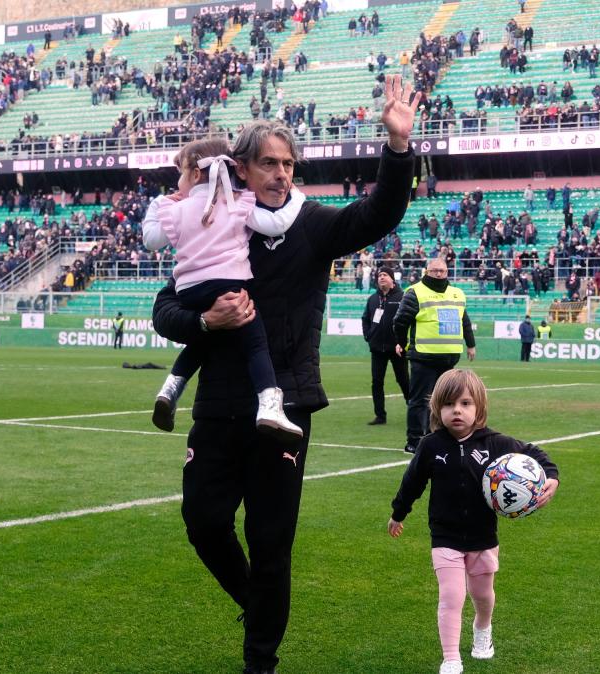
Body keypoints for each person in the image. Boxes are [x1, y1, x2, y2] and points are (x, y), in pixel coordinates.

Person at [150, 76, 419, 674]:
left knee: (272, 546)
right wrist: (208, 320)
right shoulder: (217, 224)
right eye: (267, 162)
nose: (280, 173)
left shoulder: (316, 224)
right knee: (204, 523)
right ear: (240, 168)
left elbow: (381, 213)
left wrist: (398, 148)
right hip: (219, 406)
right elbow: (164, 310)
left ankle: (260, 661)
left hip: (287, 410)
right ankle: (258, 605)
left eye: (288, 163)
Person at [387, 369, 559, 674]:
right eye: (449, 404)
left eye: (465, 403)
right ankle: (451, 658)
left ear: (478, 407)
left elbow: (535, 454)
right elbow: (411, 482)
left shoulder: (495, 443)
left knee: (481, 594)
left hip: (482, 537)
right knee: (451, 596)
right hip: (445, 537)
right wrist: (398, 513)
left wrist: (552, 478)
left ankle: (483, 629)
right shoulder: (431, 445)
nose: (457, 410)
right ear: (437, 408)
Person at [143, 137, 302, 440]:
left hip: (188, 290)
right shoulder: (238, 202)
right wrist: (297, 197)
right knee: (256, 343)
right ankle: (269, 405)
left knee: (205, 340)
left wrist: (160, 202)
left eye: (180, 174)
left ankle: (170, 390)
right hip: (228, 283)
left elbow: (151, 239)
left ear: (193, 174)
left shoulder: (175, 209)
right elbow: (276, 224)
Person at [393, 256, 477, 453]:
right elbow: (400, 321)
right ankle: (414, 440)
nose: (439, 274)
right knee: (419, 401)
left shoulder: (457, 294)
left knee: (444, 401)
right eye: (435, 271)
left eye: (442, 271)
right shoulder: (415, 292)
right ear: (427, 272)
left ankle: (437, 436)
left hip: (448, 358)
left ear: (447, 272)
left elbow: (464, 321)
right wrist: (402, 342)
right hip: (424, 356)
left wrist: (471, 345)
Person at [362, 267, 410, 425]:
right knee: (377, 382)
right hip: (377, 348)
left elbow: (408, 320)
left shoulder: (402, 297)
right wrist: (368, 336)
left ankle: (414, 411)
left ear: (392, 280)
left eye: (385, 275)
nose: (381, 277)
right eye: (379, 275)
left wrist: (402, 342)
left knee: (403, 380)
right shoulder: (373, 299)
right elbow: (365, 319)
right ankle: (380, 416)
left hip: (397, 348)